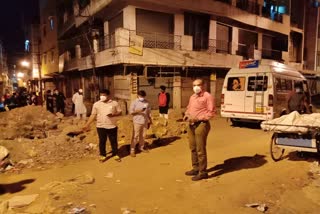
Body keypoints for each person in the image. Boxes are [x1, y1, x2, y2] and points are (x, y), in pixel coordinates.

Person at [183, 79, 215, 181]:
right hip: (191, 124)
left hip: (201, 124)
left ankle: (203, 172)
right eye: (194, 85)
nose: (196, 87)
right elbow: (189, 108)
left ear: (203, 85)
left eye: (198, 85)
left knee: (200, 149)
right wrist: (186, 115)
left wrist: (198, 118)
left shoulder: (207, 96)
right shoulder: (192, 97)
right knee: (193, 147)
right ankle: (195, 168)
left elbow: (211, 112)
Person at [83, 89, 122, 162]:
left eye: (104, 95)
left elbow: (120, 112)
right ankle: (103, 155)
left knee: (113, 141)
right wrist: (87, 124)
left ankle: (115, 154)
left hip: (112, 126)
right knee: (102, 141)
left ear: (108, 95)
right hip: (100, 126)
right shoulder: (96, 104)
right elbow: (93, 115)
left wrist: (113, 114)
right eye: (101, 95)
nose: (102, 96)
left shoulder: (114, 103)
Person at [129, 90, 152, 157]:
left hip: (144, 121)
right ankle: (132, 150)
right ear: (138, 95)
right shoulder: (134, 102)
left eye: (143, 96)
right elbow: (131, 112)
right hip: (137, 121)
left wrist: (150, 120)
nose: (142, 97)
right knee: (135, 136)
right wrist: (139, 111)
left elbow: (149, 112)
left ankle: (141, 147)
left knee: (143, 135)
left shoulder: (147, 102)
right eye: (141, 96)